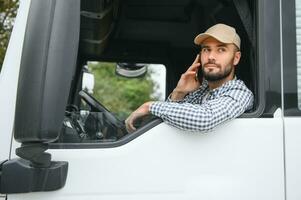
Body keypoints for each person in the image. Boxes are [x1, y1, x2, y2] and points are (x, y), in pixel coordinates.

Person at [125, 23, 254, 133]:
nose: (211, 57)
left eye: (221, 50)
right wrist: (179, 93)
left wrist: (149, 106)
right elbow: (170, 122)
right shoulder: (201, 91)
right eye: (206, 50)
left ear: (236, 58)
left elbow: (204, 119)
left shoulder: (240, 93)